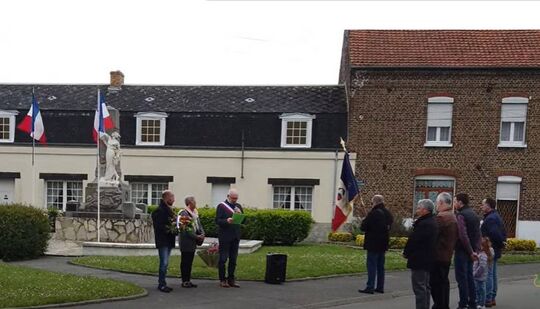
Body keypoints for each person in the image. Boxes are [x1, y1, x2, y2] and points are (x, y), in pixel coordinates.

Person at [403, 199, 439, 309]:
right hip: (427, 258)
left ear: (425, 210)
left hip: (420, 259)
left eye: (419, 208)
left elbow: (415, 240)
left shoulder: (425, 224)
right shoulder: (431, 221)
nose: (417, 210)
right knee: (425, 287)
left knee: (420, 287)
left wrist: (406, 252)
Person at [359, 194, 394, 294]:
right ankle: (380, 286)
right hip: (383, 243)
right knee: (380, 266)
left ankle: (370, 286)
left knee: (371, 265)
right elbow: (389, 225)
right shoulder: (387, 213)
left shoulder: (373, 213)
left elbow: (364, 227)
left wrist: (364, 221)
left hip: (373, 243)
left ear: (374, 202)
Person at [430, 192, 458, 309]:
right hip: (447, 254)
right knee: (443, 283)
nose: (436, 206)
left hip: (438, 255)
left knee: (436, 284)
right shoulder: (452, 216)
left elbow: (432, 235)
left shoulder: (441, 217)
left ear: (441, 203)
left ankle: (439, 305)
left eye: (437, 203)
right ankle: (443, 305)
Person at [454, 193, 481, 309]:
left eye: (455, 201)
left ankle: (463, 303)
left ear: (460, 202)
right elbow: (478, 234)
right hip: (472, 251)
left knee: (462, 278)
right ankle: (472, 302)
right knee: (470, 277)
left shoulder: (461, 215)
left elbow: (462, 235)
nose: (454, 204)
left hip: (462, 251)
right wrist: (476, 250)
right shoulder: (474, 214)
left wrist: (470, 251)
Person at [480, 197, 506, 308]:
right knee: (493, 273)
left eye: (483, 204)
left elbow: (495, 234)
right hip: (495, 248)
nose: (481, 206)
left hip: (490, 249)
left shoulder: (491, 219)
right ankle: (492, 297)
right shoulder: (496, 216)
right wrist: (502, 243)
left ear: (488, 206)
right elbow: (503, 232)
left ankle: (489, 298)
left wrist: (499, 244)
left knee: (489, 274)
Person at [215, 188, 244, 288]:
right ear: (228, 196)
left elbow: (243, 220)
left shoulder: (238, 206)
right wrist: (227, 221)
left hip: (235, 236)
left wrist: (240, 215)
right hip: (225, 236)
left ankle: (231, 279)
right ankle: (222, 280)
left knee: (233, 259)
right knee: (223, 259)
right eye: (233, 198)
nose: (235, 200)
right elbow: (218, 220)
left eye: (236, 198)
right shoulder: (222, 206)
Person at [151, 190, 177, 293]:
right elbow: (159, 226)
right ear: (167, 198)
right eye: (172, 198)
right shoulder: (159, 210)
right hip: (163, 240)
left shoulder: (169, 210)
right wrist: (171, 227)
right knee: (164, 263)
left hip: (169, 240)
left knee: (165, 263)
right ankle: (161, 284)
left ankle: (163, 282)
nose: (174, 200)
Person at [178, 195, 205, 288]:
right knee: (185, 261)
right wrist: (196, 236)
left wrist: (202, 234)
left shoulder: (195, 213)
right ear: (189, 203)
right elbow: (186, 229)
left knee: (190, 262)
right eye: (194, 202)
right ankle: (184, 281)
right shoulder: (184, 213)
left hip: (193, 242)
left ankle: (188, 280)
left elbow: (199, 225)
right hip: (186, 241)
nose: (195, 203)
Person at [474, 237, 493, 309]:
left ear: (482, 246)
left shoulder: (483, 255)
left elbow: (482, 266)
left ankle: (481, 304)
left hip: (479, 276)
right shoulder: (482, 254)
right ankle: (480, 303)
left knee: (480, 290)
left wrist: (475, 273)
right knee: (480, 289)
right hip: (480, 276)